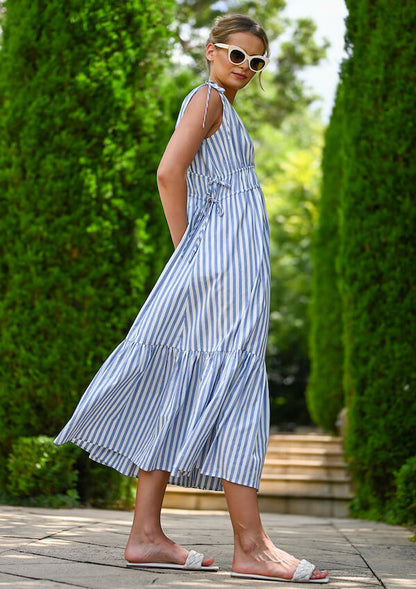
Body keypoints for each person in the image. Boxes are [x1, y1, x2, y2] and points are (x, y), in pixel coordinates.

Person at [55, 14, 329, 584]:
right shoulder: (207, 100)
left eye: (256, 63)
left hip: (222, 265)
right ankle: (251, 546)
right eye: (237, 56)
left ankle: (146, 535)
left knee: (180, 378)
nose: (246, 69)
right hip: (219, 267)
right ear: (211, 51)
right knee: (233, 381)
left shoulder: (217, 107)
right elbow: (168, 172)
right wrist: (189, 249)